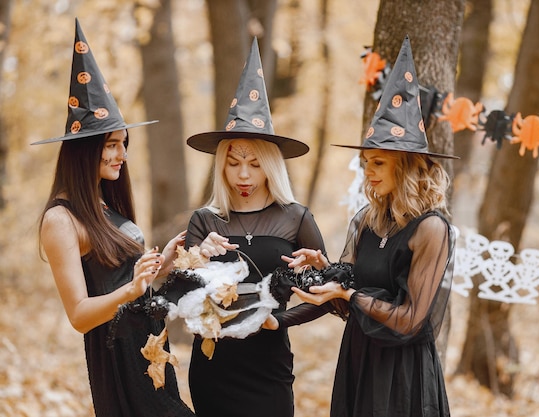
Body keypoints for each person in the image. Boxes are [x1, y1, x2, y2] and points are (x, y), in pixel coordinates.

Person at [284, 36, 457, 417]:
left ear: (406, 164)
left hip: (404, 373)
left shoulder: (431, 230)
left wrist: (347, 296)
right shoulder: (366, 219)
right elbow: (352, 288)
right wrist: (322, 267)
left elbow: (410, 320)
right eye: (366, 163)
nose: (369, 172)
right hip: (360, 358)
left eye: (378, 162)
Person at [35, 19, 195, 417]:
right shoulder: (61, 219)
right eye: (111, 145)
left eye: (123, 145)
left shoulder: (107, 207)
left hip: (149, 346)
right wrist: (132, 289)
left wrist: (162, 266)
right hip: (119, 357)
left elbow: (130, 285)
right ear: (84, 149)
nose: (121, 155)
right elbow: (79, 315)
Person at [183, 37, 328, 417]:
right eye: (233, 162)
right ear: (221, 165)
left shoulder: (296, 218)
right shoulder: (205, 220)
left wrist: (276, 321)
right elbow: (183, 297)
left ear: (270, 164)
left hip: (270, 369)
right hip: (214, 369)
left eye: (254, 162)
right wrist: (199, 259)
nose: (243, 174)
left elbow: (327, 293)